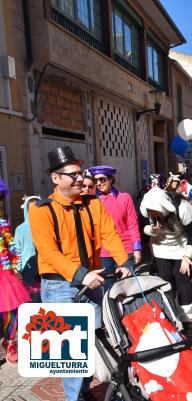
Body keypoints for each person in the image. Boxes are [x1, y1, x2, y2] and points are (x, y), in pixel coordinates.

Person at [28, 146, 131, 401]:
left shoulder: (92, 204)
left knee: (99, 344)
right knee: (72, 355)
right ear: (55, 178)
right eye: (72, 174)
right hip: (60, 287)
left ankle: (86, 391)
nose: (80, 179)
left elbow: (109, 233)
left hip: (91, 283)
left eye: (80, 173)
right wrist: (80, 274)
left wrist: (125, 262)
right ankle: (75, 398)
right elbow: (48, 252)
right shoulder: (41, 210)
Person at [140, 187, 192, 332]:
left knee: (182, 280)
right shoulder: (146, 210)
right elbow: (142, 229)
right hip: (161, 247)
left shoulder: (182, 208)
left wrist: (187, 256)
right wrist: (150, 230)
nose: (152, 214)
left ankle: (186, 319)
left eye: (155, 211)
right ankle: (171, 313)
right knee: (165, 282)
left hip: (182, 246)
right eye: (150, 212)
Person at [89, 165, 141, 290]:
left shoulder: (125, 197)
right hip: (103, 251)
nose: (99, 183)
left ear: (111, 179)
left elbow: (132, 224)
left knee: (128, 287)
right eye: (95, 181)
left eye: (102, 179)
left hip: (125, 248)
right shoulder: (93, 201)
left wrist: (137, 248)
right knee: (109, 288)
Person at [0, 180, 31, 364]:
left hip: (4, 272)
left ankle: (10, 341)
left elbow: (8, 247)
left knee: (13, 309)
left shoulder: (3, 221)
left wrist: (13, 266)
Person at [14, 195, 41, 301]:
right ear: (27, 211)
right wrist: (18, 271)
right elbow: (18, 252)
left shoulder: (47, 226)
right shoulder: (20, 229)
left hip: (45, 274)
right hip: (27, 273)